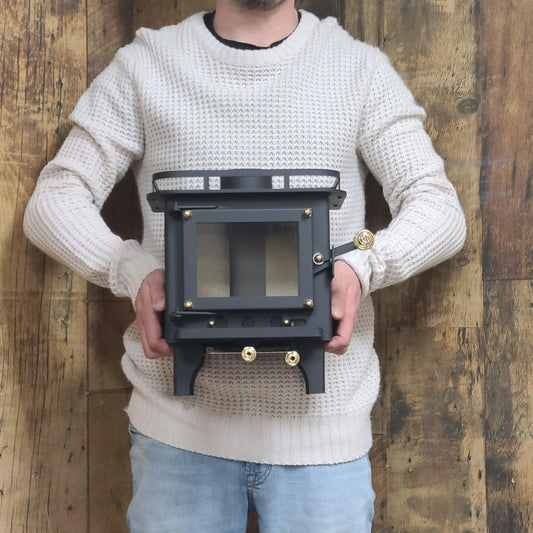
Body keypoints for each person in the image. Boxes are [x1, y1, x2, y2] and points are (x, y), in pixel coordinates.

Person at [23, 0, 467, 531]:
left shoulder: (358, 69)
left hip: (323, 439)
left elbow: (439, 207)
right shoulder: (147, 65)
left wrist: (362, 266)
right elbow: (54, 199)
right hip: (178, 434)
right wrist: (132, 271)